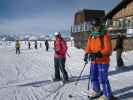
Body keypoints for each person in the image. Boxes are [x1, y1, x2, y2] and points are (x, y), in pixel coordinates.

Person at [84, 19, 117, 100]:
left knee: (103, 78)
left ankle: (107, 95)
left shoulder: (104, 35)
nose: (96, 28)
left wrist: (98, 53)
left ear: (100, 25)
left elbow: (108, 49)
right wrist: (87, 53)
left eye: (97, 26)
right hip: (94, 61)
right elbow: (88, 47)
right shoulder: (91, 36)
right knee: (93, 76)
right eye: (94, 26)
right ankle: (97, 91)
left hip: (103, 61)